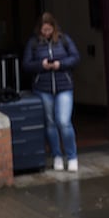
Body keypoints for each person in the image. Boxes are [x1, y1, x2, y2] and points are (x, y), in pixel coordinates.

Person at [22, 11, 81, 173]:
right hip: (43, 88)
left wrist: (59, 64)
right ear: (39, 29)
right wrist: (41, 65)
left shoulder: (64, 40)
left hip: (64, 87)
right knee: (50, 123)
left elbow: (76, 57)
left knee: (64, 121)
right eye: (44, 30)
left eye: (49, 30)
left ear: (54, 28)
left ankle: (72, 156)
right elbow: (26, 65)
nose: (46, 33)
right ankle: (56, 155)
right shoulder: (33, 43)